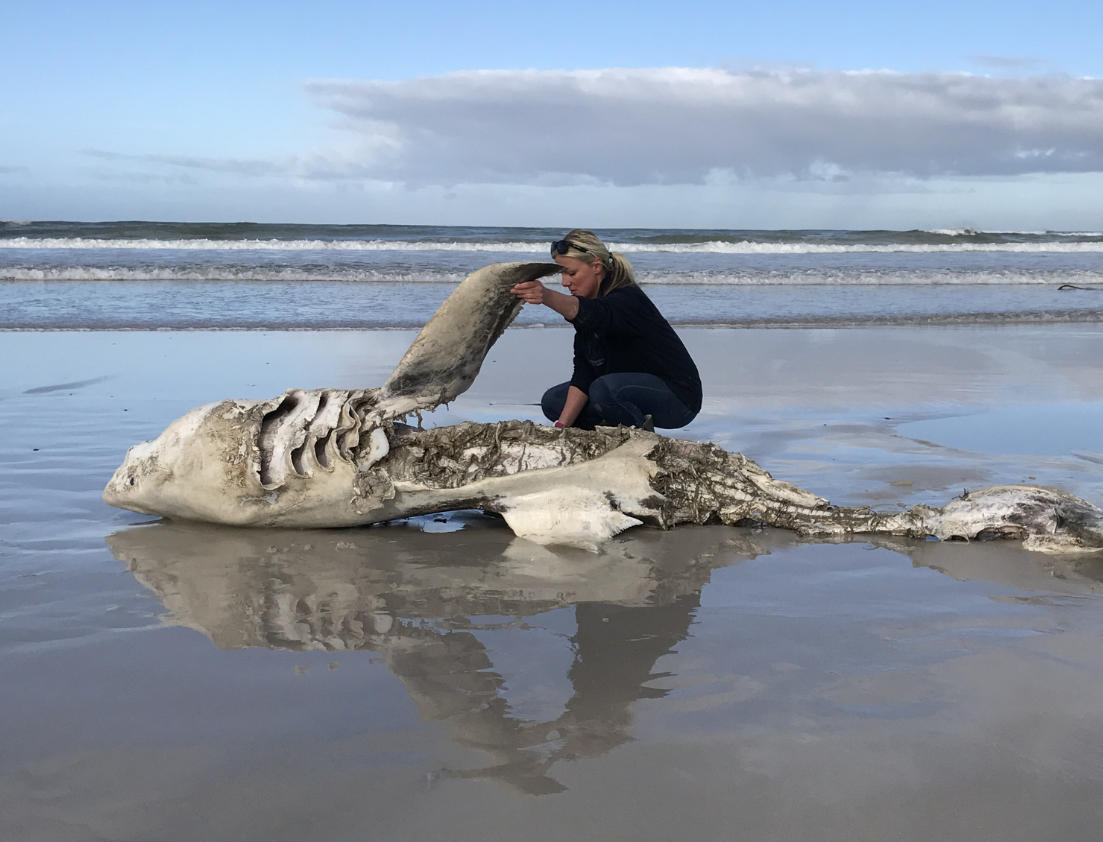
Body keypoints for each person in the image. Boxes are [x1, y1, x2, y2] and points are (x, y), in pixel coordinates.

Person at [509, 229, 701, 431]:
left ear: (596, 266)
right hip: (622, 390)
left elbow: (593, 313)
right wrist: (560, 426)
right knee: (554, 401)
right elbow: (584, 375)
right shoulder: (589, 310)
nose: (565, 282)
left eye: (571, 273)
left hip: (678, 399)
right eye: (562, 274)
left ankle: (641, 437)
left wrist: (546, 295)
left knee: (603, 390)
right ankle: (607, 432)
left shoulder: (626, 299)